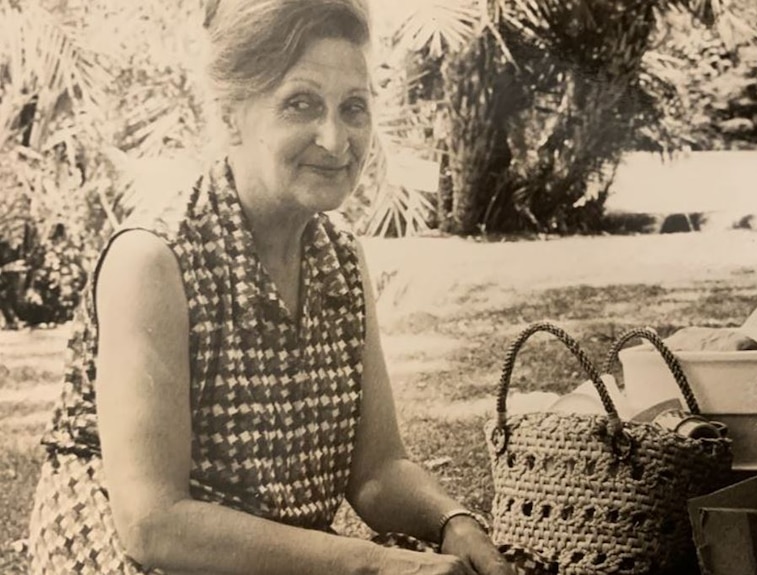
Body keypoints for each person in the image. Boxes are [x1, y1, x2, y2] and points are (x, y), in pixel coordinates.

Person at [27, 1, 513, 574]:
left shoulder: (340, 258)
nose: (335, 140)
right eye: (301, 104)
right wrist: (369, 563)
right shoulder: (154, 258)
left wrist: (453, 522)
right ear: (232, 114)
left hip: (267, 551)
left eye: (353, 108)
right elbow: (152, 525)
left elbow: (378, 471)